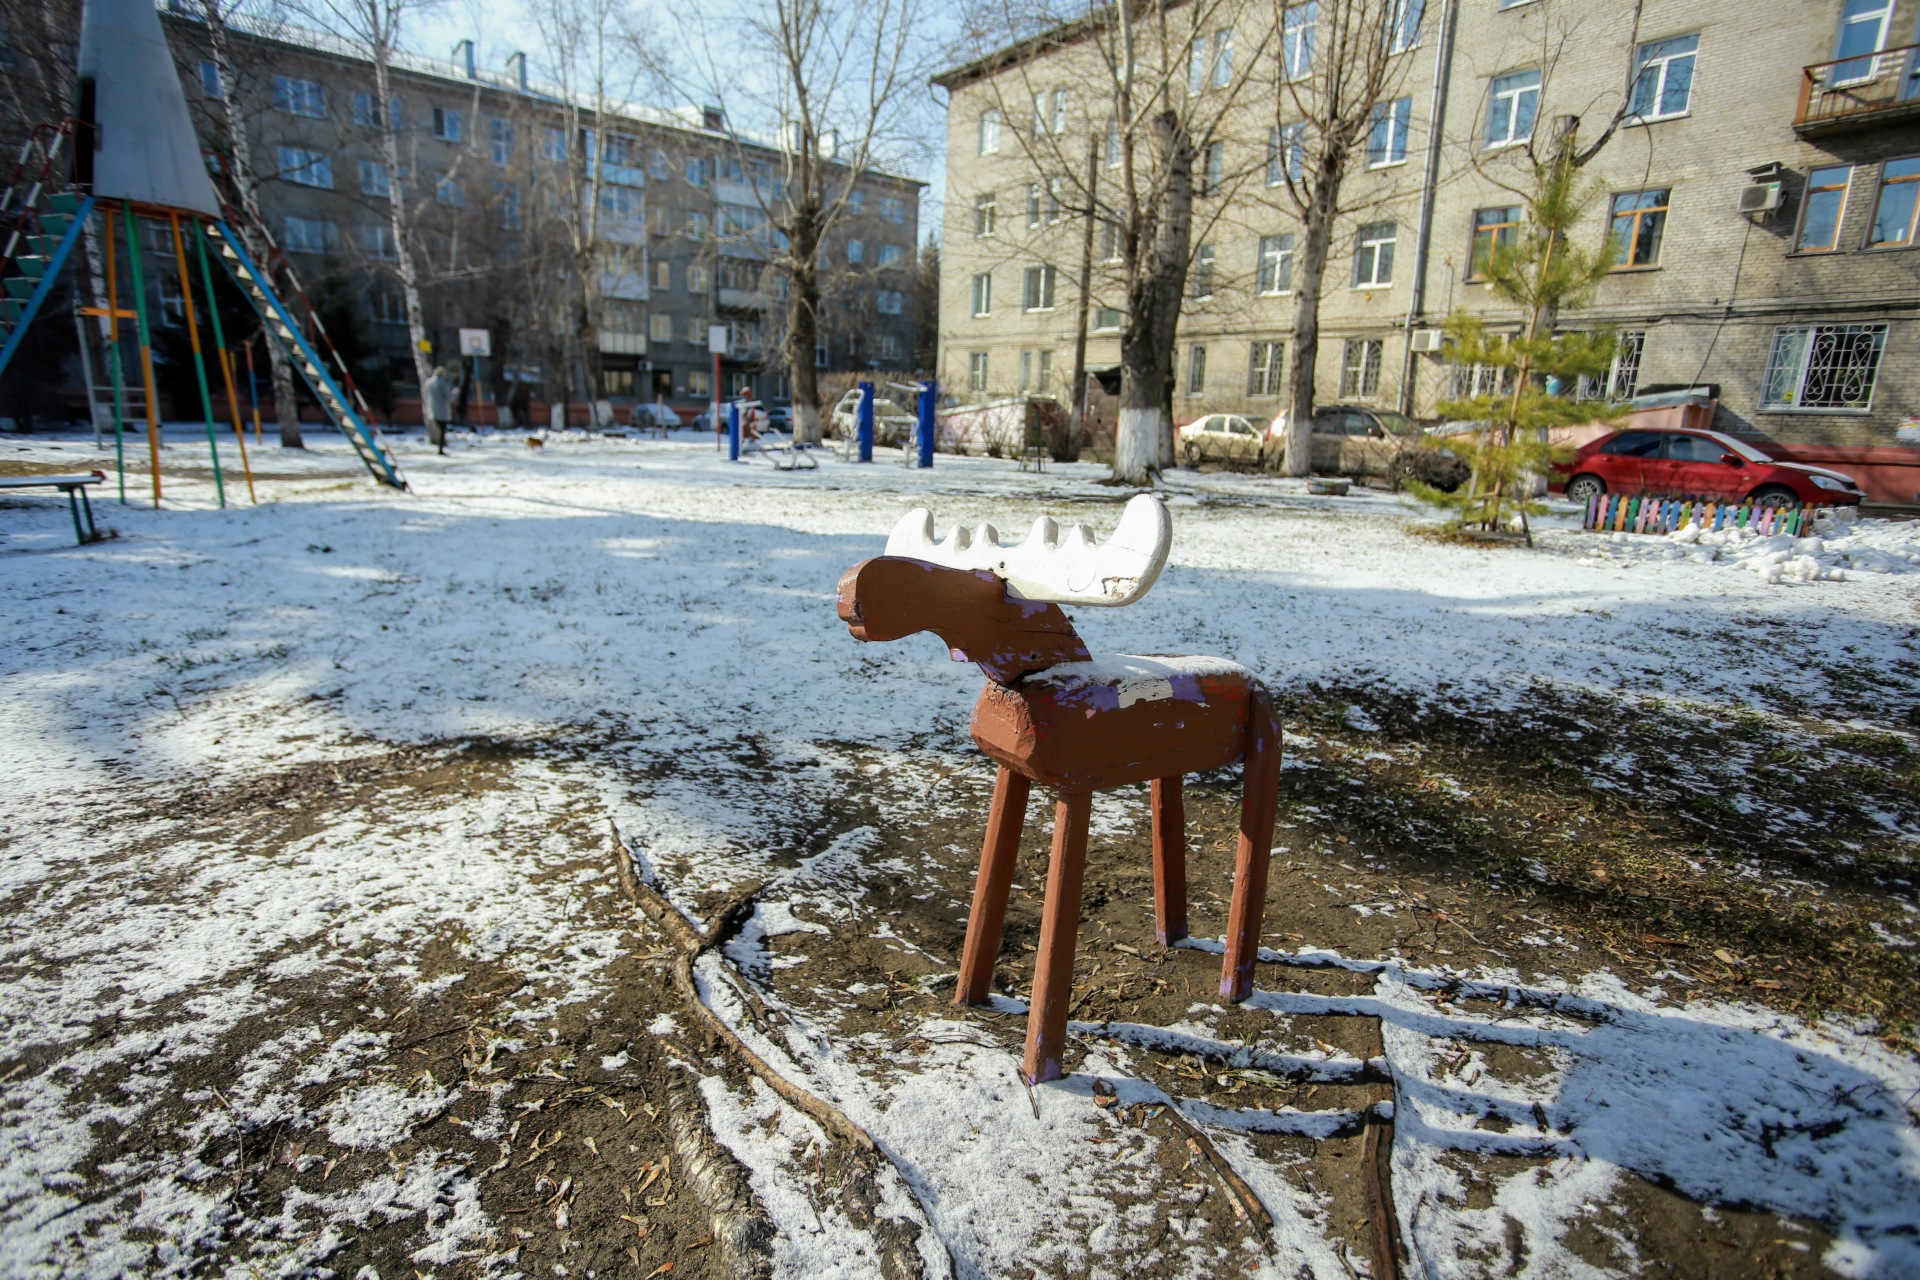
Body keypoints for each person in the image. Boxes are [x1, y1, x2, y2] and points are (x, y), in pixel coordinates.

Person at [423, 366, 454, 454]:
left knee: (439, 428)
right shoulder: (442, 383)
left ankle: (440, 447)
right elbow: (449, 397)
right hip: (442, 409)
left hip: (432, 408)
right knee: (442, 430)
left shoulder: (428, 383)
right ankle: (440, 448)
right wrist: (455, 393)